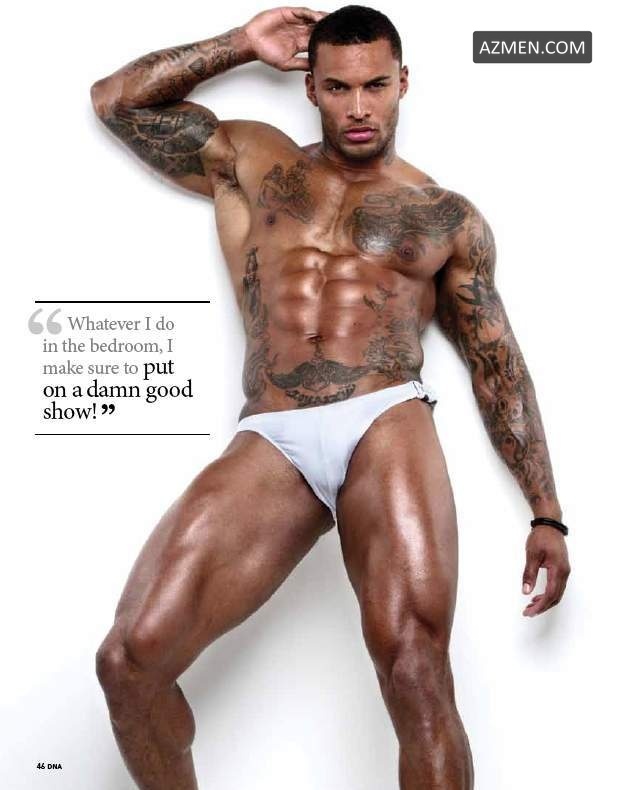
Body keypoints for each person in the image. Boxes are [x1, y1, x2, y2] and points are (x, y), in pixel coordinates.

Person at [90, 5, 571, 788]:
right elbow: (116, 101)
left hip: (385, 418)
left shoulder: (443, 215)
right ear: (310, 86)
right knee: (128, 661)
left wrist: (544, 512)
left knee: (414, 669)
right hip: (272, 434)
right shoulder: (254, 160)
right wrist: (240, 44)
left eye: (375, 85)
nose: (357, 107)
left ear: (402, 83)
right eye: (339, 87)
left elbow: (496, 365)